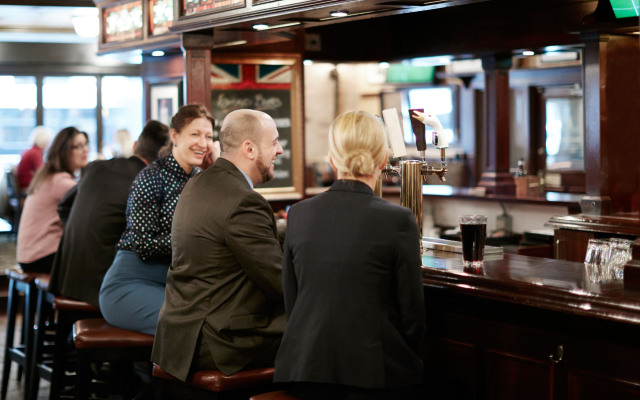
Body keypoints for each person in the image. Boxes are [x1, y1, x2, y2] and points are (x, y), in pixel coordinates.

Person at [273, 110, 426, 399]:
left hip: (302, 371)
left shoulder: (300, 214)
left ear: (332, 159)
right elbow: (413, 318)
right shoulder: (398, 220)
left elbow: (292, 303)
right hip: (372, 375)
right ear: (383, 160)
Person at [152, 109, 285, 382]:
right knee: (323, 330)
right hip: (217, 343)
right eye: (273, 142)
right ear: (249, 148)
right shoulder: (243, 200)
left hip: (179, 336)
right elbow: (280, 282)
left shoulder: (198, 183)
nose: (280, 150)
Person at [98, 105, 214, 335]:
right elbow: (143, 245)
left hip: (176, 284)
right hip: (130, 283)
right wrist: (193, 240)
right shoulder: (150, 177)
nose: (203, 143)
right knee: (194, 326)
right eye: (195, 134)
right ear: (174, 136)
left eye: (209, 136)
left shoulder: (202, 180)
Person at [48, 120, 170, 307]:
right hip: (101, 287)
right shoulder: (149, 182)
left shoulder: (97, 167)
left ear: (135, 146)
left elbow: (63, 207)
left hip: (65, 277)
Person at [16, 127, 89, 273]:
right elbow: (92, 205)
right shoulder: (61, 182)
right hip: (41, 257)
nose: (85, 150)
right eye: (78, 146)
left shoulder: (49, 176)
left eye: (86, 144)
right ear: (64, 151)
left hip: (29, 256)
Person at [15, 125, 52, 193]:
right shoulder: (35, 153)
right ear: (44, 142)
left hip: (24, 184)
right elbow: (41, 172)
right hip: (28, 186)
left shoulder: (31, 150)